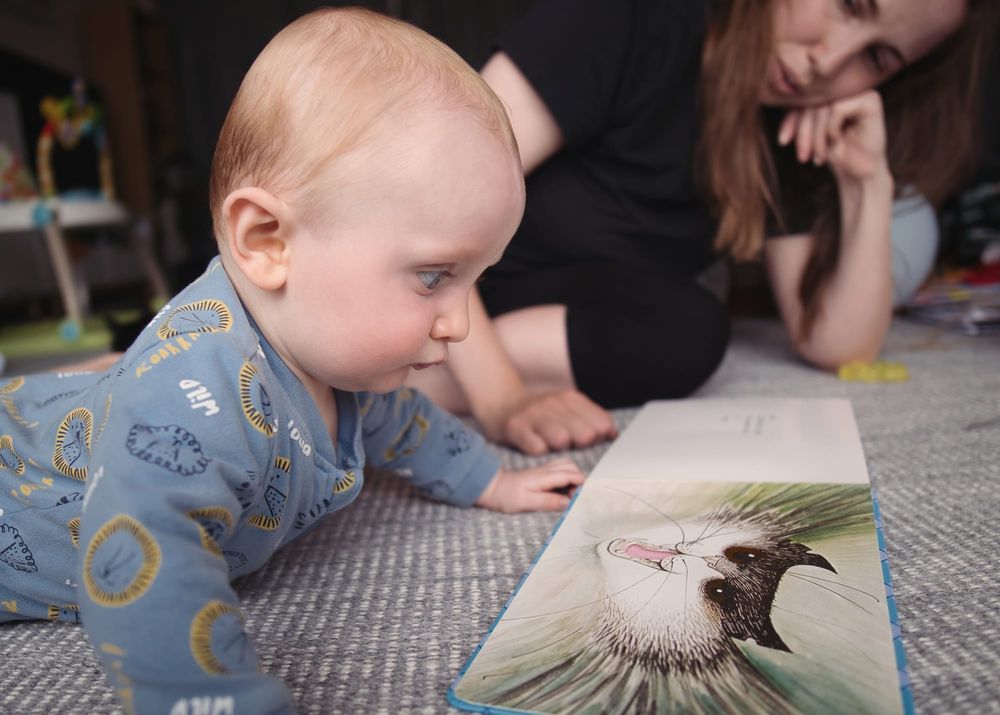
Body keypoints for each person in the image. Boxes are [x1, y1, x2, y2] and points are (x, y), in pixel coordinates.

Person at [0, 9, 584, 714]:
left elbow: (403, 424)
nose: (460, 322)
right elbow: (143, 565)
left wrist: (487, 478)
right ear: (268, 240)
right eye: (435, 276)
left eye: (476, 278)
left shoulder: (347, 367)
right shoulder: (192, 394)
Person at [408, 0, 999, 455]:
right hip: (429, 271)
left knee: (690, 330)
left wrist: (869, 182)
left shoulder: (788, 131)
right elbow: (433, 201)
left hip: (543, 304)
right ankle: (396, 368)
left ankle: (414, 370)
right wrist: (502, 396)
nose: (831, 58)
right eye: (848, 4)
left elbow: (840, 344)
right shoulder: (634, 16)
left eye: (876, 58)